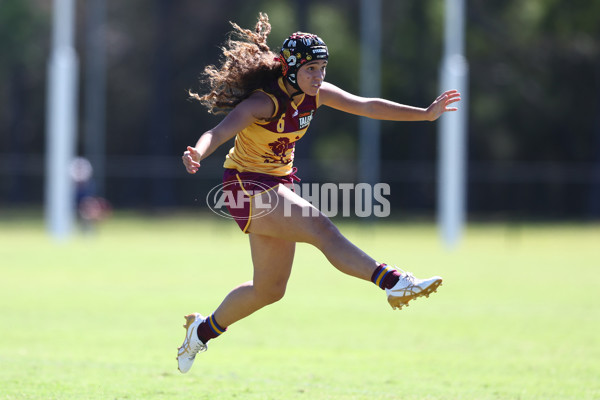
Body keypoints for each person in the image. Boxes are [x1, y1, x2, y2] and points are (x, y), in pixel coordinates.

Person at [177, 13, 461, 373]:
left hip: (277, 184)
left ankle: (200, 332)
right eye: (311, 69)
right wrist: (197, 153)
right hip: (244, 186)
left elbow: (367, 105)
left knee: (269, 290)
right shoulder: (263, 103)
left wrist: (424, 114)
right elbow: (217, 133)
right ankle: (393, 282)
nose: (318, 77)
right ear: (290, 69)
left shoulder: (318, 96)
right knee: (320, 227)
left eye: (322, 68)